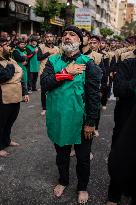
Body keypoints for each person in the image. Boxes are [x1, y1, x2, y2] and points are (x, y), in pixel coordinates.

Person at [41, 26, 101, 204]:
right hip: (59, 119)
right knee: (61, 155)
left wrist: (91, 122)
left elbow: (93, 96)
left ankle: (82, 187)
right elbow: (44, 83)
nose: (67, 37)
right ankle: (63, 181)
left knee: (83, 158)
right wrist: (66, 73)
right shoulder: (52, 61)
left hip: (81, 121)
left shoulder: (88, 63)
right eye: (65, 34)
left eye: (72, 34)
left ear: (80, 41)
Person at [106, 57, 136, 205]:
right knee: (119, 159)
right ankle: (113, 196)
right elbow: (118, 89)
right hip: (125, 125)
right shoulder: (128, 64)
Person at [0, 37, 29, 157]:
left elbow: (21, 76)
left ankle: (7, 140)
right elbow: (3, 76)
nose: (8, 47)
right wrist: (12, 68)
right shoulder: (11, 63)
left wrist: (25, 92)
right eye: (5, 45)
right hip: (3, 98)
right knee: (1, 123)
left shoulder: (11, 59)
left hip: (15, 96)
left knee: (10, 121)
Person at [38, 32, 59, 116]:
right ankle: (44, 108)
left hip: (55, 71)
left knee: (55, 90)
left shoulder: (57, 48)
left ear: (53, 38)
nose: (49, 38)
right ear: (45, 38)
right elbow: (38, 57)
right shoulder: (41, 47)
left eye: (51, 36)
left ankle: (54, 106)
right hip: (44, 71)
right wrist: (48, 53)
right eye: (47, 37)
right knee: (44, 91)